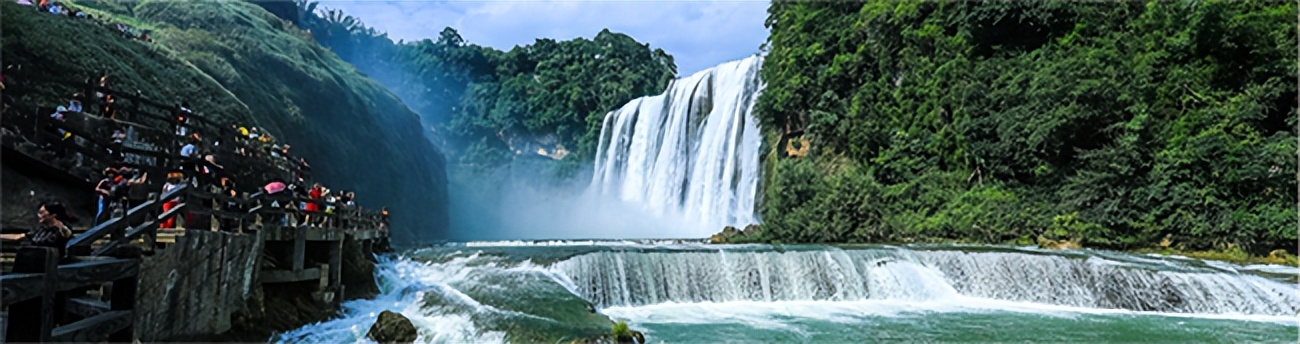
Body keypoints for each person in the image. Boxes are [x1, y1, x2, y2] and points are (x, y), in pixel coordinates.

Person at [1, 202, 76, 258]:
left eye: (42, 213)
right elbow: (18, 237)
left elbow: (67, 234)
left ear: (53, 214)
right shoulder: (41, 230)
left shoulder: (61, 229)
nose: (39, 215)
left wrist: (61, 226)